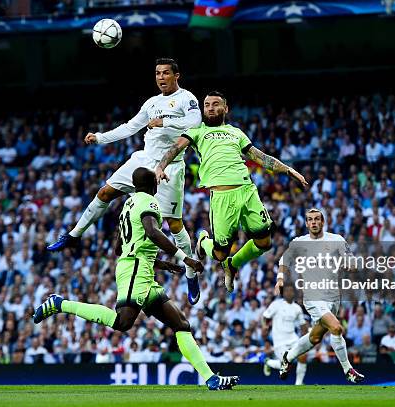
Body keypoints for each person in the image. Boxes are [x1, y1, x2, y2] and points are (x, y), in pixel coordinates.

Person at [35, 167, 239, 390]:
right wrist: (185, 259)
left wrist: (161, 264)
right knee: (122, 322)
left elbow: (119, 247)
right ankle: (60, 304)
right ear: (154, 185)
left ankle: (211, 379)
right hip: (135, 269)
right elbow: (152, 232)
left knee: (181, 324)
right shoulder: (149, 202)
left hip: (140, 269)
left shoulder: (128, 205)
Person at [47, 58, 203, 305]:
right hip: (142, 160)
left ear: (176, 76)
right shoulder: (151, 103)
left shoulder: (187, 99)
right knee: (105, 192)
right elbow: (130, 127)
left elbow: (196, 124)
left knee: (174, 225)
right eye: (157, 73)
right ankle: (73, 235)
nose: (161, 77)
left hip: (171, 166)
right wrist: (100, 138)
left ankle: (191, 273)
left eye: (165, 73)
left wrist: (166, 122)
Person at [155, 91, 307, 292]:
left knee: (264, 242)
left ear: (225, 108)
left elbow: (259, 157)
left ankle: (232, 264)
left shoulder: (236, 132)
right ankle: (203, 242)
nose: (210, 108)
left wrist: (288, 169)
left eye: (215, 104)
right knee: (219, 254)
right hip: (222, 196)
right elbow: (175, 148)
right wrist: (160, 166)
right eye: (207, 104)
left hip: (247, 190)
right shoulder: (196, 131)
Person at [276, 208, 364, 383]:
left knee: (315, 337)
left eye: (317, 219)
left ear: (323, 222)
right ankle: (348, 370)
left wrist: (351, 265)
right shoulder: (299, 242)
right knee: (337, 328)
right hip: (312, 296)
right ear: (307, 223)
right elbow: (284, 260)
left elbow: (352, 262)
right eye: (310, 219)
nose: (314, 222)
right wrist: (280, 278)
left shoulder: (337, 240)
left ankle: (288, 356)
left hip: (333, 297)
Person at [261, 284, 308, 385]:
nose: (289, 293)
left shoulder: (297, 308)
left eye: (291, 291)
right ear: (283, 293)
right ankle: (268, 362)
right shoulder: (276, 305)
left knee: (303, 356)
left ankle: (299, 384)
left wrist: (306, 338)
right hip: (279, 340)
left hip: (293, 338)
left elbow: (302, 324)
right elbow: (265, 317)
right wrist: (264, 326)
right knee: (286, 365)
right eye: (286, 291)